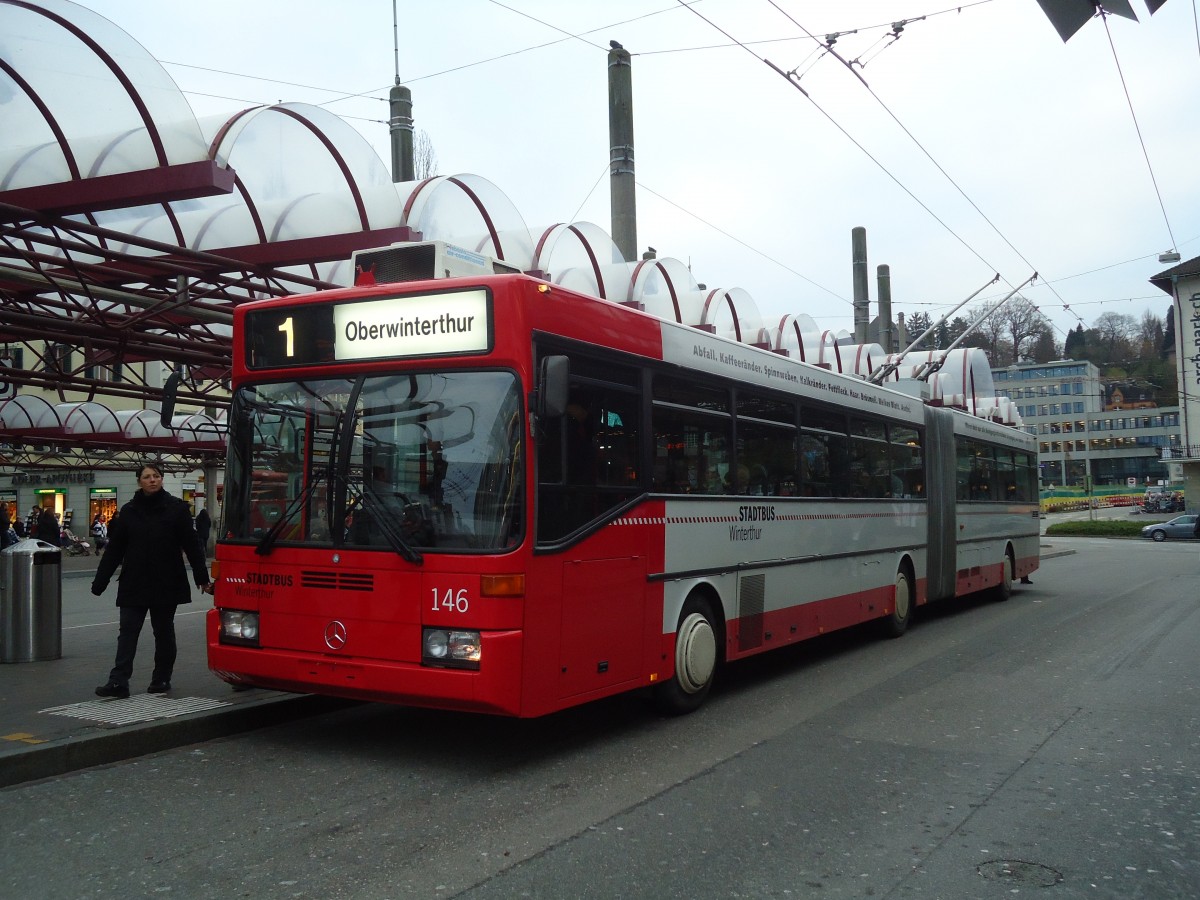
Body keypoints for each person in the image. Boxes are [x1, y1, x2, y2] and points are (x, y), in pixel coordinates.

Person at [92, 463, 212, 699]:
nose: (152, 480)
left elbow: (192, 545)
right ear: (139, 481)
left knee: (163, 631)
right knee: (128, 631)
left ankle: (161, 678)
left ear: (162, 479)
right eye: (147, 477)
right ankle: (118, 682)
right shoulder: (129, 511)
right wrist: (100, 582)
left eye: (156, 476)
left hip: (166, 580)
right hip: (134, 580)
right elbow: (115, 549)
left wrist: (202, 577)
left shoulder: (177, 508)